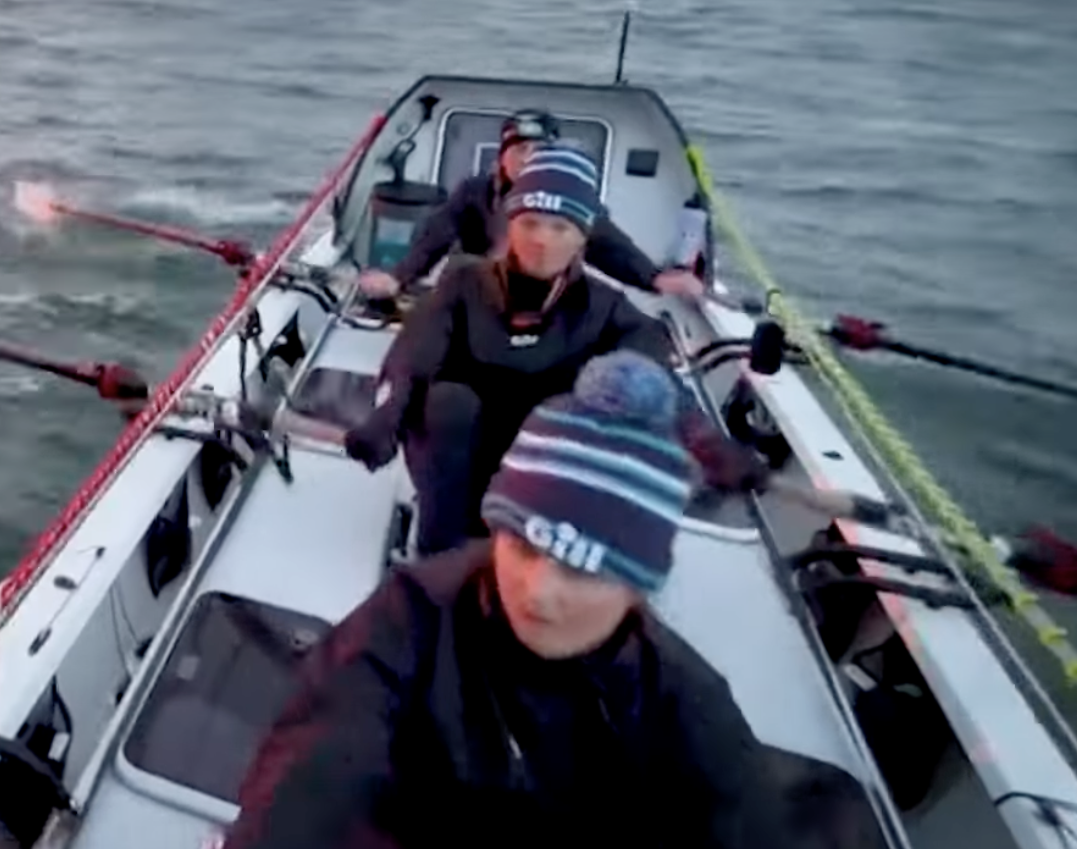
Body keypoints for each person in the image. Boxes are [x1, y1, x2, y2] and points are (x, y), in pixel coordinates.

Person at [221, 351, 797, 849]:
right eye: (523, 546)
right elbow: (315, 769)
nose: (540, 592)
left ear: (637, 586)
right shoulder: (411, 614)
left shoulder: (683, 700)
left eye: (583, 569)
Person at [345, 144, 680, 554]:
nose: (542, 240)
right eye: (531, 223)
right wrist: (389, 413)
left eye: (559, 228)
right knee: (449, 401)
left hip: (545, 469)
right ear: (511, 224)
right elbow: (414, 352)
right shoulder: (464, 284)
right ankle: (441, 558)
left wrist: (706, 442)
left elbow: (651, 361)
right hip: (458, 459)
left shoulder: (604, 305)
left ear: (583, 237)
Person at [358, 109, 704, 301]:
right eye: (519, 149)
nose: (528, 158)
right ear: (503, 154)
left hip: (548, 298)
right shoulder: (474, 191)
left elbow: (608, 244)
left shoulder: (575, 198)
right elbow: (434, 237)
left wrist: (655, 279)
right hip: (480, 293)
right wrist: (398, 277)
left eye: (537, 150)